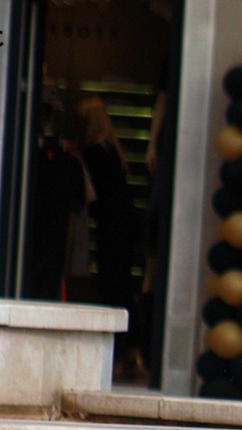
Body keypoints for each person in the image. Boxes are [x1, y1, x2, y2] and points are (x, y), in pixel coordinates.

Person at [75, 96, 147, 383]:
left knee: (112, 287)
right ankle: (131, 349)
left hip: (112, 228)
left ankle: (120, 351)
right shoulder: (113, 150)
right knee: (123, 286)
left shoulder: (94, 152)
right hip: (124, 227)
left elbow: (96, 196)